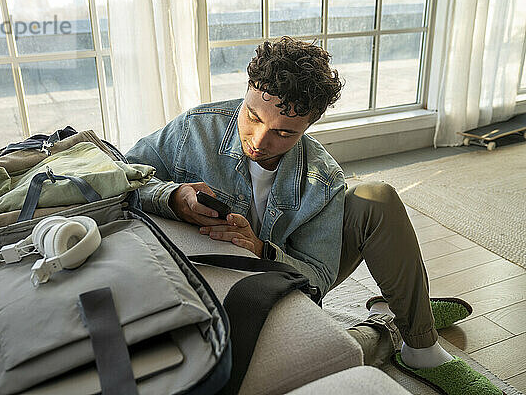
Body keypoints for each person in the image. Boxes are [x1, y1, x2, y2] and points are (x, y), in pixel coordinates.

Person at [125, 36, 501, 395]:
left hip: (277, 276)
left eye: (284, 133)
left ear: (309, 125)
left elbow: (317, 279)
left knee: (377, 198)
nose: (259, 141)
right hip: (205, 273)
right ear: (247, 91)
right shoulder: (195, 129)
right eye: (252, 116)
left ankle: (419, 344)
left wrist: (261, 249)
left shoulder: (322, 177)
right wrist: (171, 196)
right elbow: (117, 177)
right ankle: (396, 318)